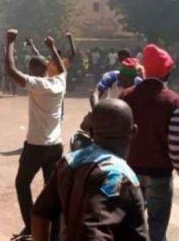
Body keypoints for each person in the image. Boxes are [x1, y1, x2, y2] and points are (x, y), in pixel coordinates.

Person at [32, 99, 149, 241]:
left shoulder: (69, 162)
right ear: (134, 131)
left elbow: (40, 214)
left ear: (92, 132)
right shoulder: (117, 176)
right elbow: (93, 234)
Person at [5, 29, 66, 240]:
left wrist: (10, 43)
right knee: (52, 189)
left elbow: (10, 69)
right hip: (56, 146)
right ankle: (55, 232)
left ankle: (31, 226)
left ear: (32, 69)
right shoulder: (60, 82)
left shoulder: (36, 84)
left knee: (22, 184)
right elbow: (59, 67)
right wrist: (51, 48)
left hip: (36, 146)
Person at [119, 44, 177, 241]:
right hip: (159, 173)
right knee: (157, 228)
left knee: (131, 226)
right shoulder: (173, 101)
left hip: (130, 171)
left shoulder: (126, 96)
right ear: (167, 73)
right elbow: (175, 143)